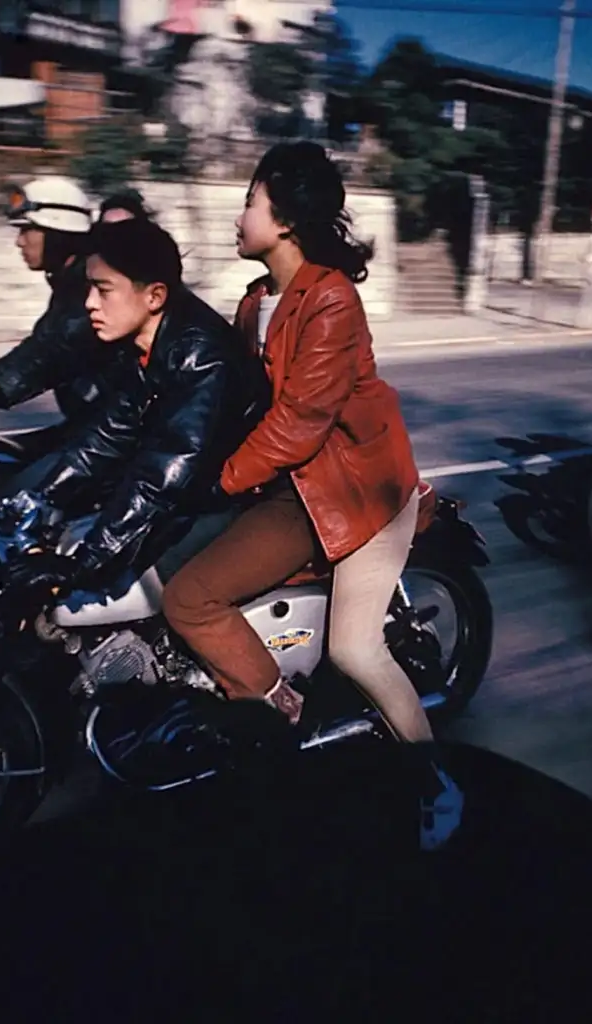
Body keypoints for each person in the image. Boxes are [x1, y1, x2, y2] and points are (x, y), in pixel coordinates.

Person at [162, 141, 463, 851]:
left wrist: (222, 478)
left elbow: (301, 423)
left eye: (250, 202)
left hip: (354, 492)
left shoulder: (330, 298)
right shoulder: (258, 301)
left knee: (356, 651)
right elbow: (232, 401)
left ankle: (434, 782)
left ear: (287, 219)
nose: (240, 216)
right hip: (290, 485)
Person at [5, 216, 269, 596]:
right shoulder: (145, 346)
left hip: (232, 503)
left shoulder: (201, 355)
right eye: (88, 288)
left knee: (166, 599)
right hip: (191, 496)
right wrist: (36, 500)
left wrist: (84, 563)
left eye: (103, 289)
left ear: (154, 296)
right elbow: (104, 437)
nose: (89, 304)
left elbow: (165, 472)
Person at [0, 180, 149, 421]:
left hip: (123, 434)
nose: (19, 241)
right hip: (95, 423)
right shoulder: (69, 281)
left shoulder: (91, 284)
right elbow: (44, 342)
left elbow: (52, 350)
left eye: (27, 229)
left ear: (57, 233)